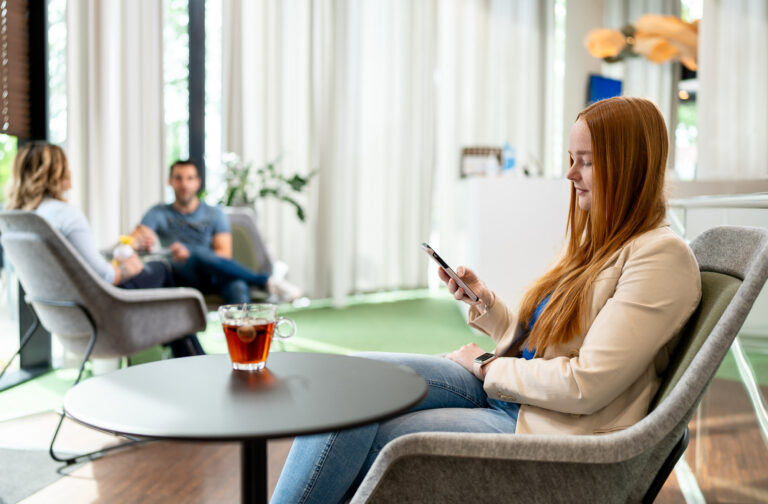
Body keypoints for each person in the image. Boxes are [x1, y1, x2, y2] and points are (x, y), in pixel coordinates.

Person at [270, 96, 702, 503]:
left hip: (547, 426)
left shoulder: (660, 258)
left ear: (629, 167)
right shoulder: (601, 241)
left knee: (389, 436)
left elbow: (584, 383)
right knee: (349, 379)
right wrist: (487, 306)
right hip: (516, 395)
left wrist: (485, 364)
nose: (570, 175)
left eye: (586, 163)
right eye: (571, 160)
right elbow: (547, 344)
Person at [5, 141, 203, 357]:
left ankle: (185, 352)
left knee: (170, 311)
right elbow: (104, 276)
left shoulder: (18, 219)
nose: (70, 171)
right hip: (103, 315)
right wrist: (131, 266)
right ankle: (193, 357)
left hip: (63, 314)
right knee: (161, 269)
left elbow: (79, 268)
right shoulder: (65, 216)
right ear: (56, 173)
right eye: (66, 166)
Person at [131, 160, 301, 304]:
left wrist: (190, 252)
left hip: (212, 275)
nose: (184, 184)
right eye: (178, 178)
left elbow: (223, 255)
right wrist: (140, 243)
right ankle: (266, 282)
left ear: (197, 182)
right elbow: (135, 238)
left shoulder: (214, 213)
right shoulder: (158, 212)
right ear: (170, 182)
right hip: (179, 275)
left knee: (237, 284)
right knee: (195, 253)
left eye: (189, 178)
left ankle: (246, 335)